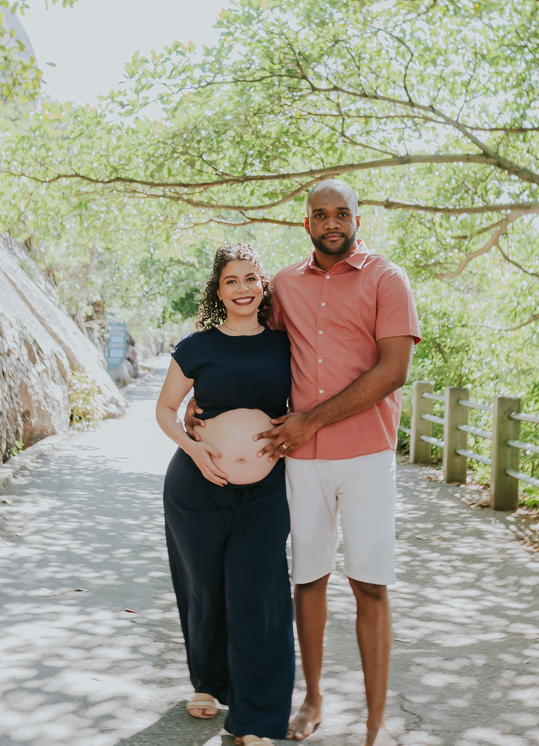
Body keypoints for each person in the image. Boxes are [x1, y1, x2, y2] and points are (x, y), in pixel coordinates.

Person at [188, 179, 420, 746]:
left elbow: (393, 371)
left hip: (366, 455)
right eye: (321, 214)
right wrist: (205, 401)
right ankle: (312, 701)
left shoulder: (388, 279)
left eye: (342, 213)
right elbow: (252, 351)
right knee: (307, 579)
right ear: (307, 223)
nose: (332, 222)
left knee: (370, 584)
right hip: (302, 460)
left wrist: (311, 419)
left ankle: (374, 721)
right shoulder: (285, 284)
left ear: (357, 219)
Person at [154, 243, 295, 746]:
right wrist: (193, 448)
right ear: (218, 290)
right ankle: (209, 686)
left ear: (264, 287)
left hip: (266, 491)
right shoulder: (196, 347)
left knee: (259, 594)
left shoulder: (285, 344)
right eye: (231, 280)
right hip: (197, 486)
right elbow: (166, 410)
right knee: (205, 589)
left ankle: (257, 718)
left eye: (251, 279)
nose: (242, 288)